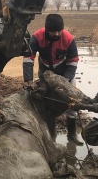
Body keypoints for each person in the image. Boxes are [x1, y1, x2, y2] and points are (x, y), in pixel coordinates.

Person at [23, 13, 83, 145]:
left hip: (65, 74)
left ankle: (72, 135)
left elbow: (73, 62)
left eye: (59, 31)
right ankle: (51, 135)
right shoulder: (37, 37)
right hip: (45, 73)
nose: (56, 34)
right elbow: (28, 58)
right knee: (46, 103)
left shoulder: (68, 39)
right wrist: (28, 80)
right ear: (46, 30)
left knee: (71, 103)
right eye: (53, 31)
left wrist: (65, 81)